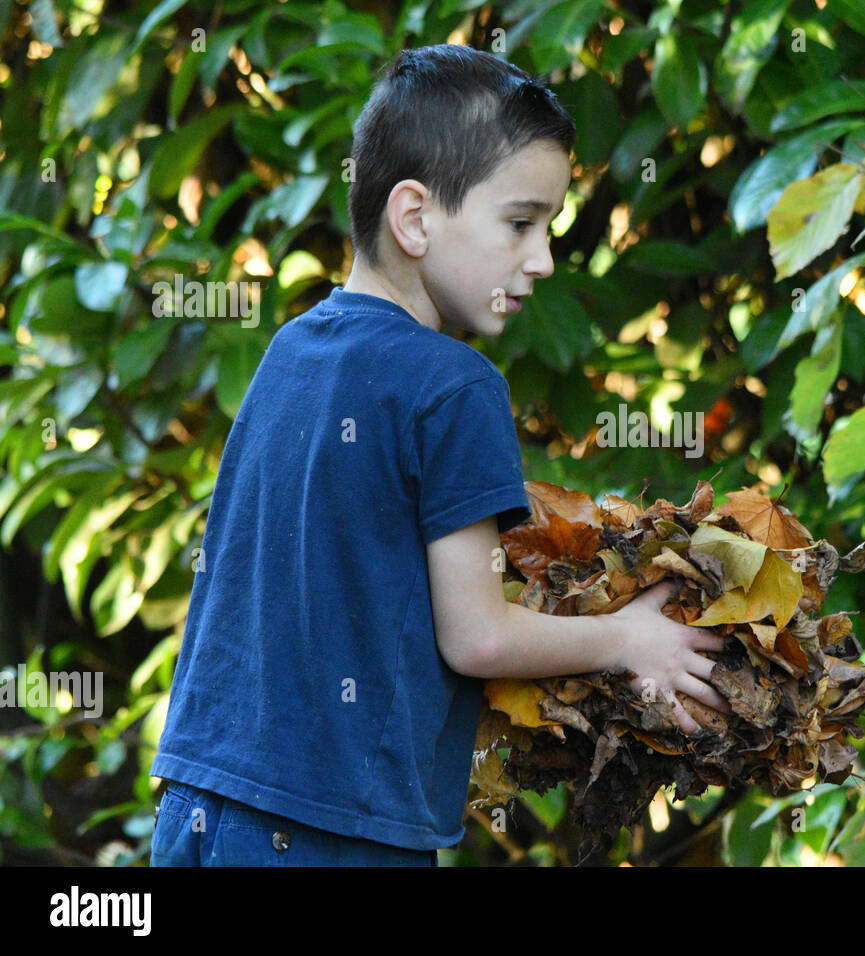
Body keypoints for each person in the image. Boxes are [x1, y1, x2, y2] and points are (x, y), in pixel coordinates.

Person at [149, 44, 730, 867]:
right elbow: (478, 637)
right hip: (334, 831)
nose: (545, 259)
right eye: (521, 224)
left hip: (198, 804)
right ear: (415, 217)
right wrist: (631, 641)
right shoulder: (456, 388)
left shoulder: (290, 351)